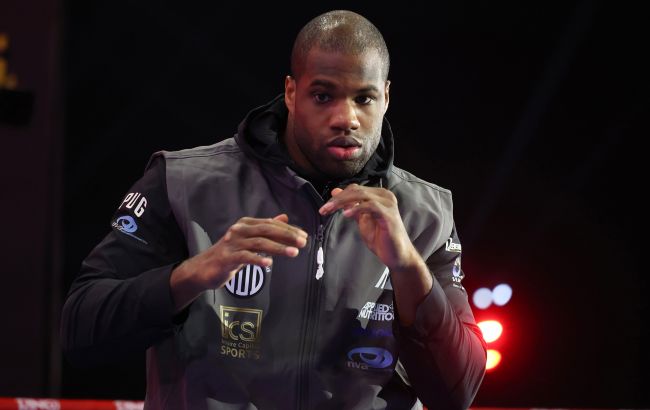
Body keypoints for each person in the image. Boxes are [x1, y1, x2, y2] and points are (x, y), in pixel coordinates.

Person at [61, 9, 487, 410]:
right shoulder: (183, 183)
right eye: (323, 95)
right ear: (291, 93)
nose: (347, 118)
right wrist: (191, 275)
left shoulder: (425, 214)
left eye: (364, 98)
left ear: (386, 98)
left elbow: (459, 392)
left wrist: (408, 266)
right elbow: (80, 329)